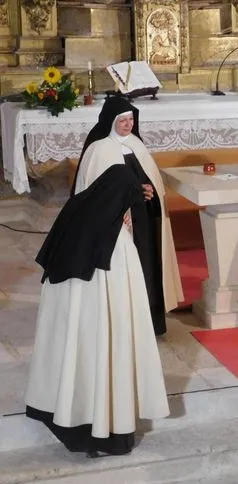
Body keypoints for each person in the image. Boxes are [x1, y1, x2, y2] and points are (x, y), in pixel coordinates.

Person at [24, 99, 173, 457]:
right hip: (106, 318)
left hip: (79, 337)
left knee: (85, 357)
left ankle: (78, 418)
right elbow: (126, 316)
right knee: (109, 353)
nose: (128, 125)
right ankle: (109, 427)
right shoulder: (119, 247)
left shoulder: (74, 225)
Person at [69, 95, 183, 336]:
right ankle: (122, 326)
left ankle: (149, 323)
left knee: (147, 269)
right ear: (111, 121)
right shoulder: (99, 150)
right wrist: (121, 207)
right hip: (116, 224)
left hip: (143, 220)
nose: (128, 124)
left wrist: (150, 193)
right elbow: (95, 193)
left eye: (131, 119)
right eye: (123, 120)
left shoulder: (136, 145)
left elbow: (148, 181)